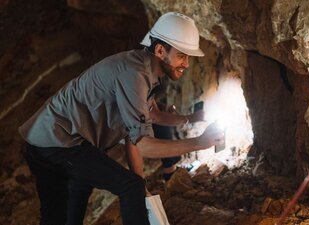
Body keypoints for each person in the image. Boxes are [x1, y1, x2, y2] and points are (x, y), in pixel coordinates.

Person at [19, 12, 224, 225]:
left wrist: (189, 119)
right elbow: (142, 144)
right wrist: (199, 143)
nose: (187, 64)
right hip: (54, 141)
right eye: (182, 55)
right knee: (76, 206)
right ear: (161, 50)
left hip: (69, 142)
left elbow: (142, 125)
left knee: (105, 192)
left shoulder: (146, 71)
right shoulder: (134, 75)